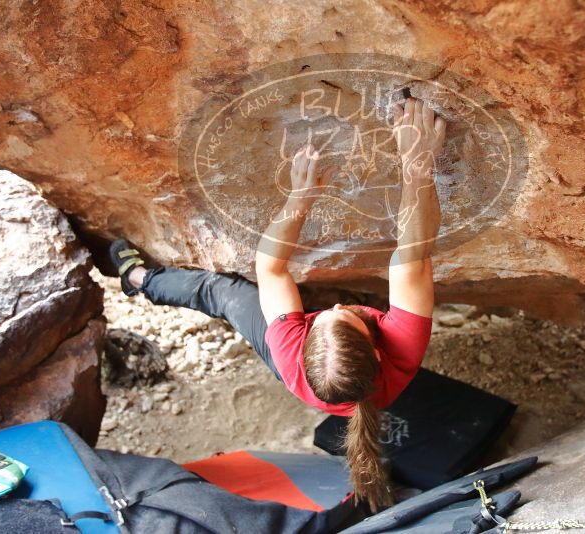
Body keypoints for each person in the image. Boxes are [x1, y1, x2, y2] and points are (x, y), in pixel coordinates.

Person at [110, 97, 446, 512]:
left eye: (325, 316)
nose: (337, 305)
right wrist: (417, 161)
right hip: (336, 370)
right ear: (376, 352)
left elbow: (270, 269)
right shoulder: (403, 345)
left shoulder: (288, 349)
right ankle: (141, 280)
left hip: (295, 359)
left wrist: (300, 196)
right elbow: (412, 255)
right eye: (341, 316)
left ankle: (139, 279)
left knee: (225, 292)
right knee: (230, 291)